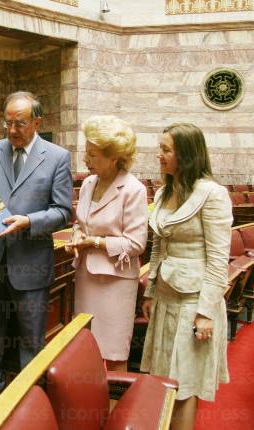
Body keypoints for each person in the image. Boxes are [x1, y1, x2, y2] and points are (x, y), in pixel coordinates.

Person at [0, 91, 72, 415]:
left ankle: (29, 397)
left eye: (20, 123)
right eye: (8, 122)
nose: (12, 130)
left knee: (31, 335)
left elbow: (63, 211)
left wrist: (29, 221)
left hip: (29, 260)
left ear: (37, 122)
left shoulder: (57, 157)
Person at [141, 123, 231, 430]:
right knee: (165, 379)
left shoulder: (213, 194)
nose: (159, 155)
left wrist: (206, 312)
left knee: (185, 384)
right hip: (166, 297)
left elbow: (219, 260)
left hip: (194, 302)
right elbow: (157, 246)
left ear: (187, 154)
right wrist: (150, 291)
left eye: (166, 150)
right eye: (160, 148)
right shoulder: (165, 190)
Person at [65, 115, 148, 372]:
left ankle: (113, 409)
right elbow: (82, 222)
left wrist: (96, 242)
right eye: (86, 153)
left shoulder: (134, 189)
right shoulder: (89, 183)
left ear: (114, 158)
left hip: (116, 281)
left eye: (93, 155)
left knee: (113, 351)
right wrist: (78, 235)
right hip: (86, 277)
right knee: (85, 346)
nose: (85, 160)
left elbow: (136, 244)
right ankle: (88, 406)